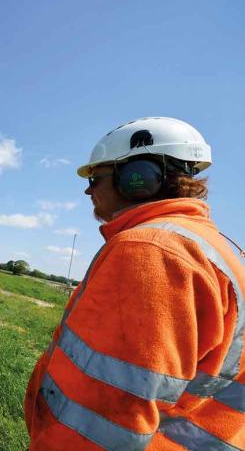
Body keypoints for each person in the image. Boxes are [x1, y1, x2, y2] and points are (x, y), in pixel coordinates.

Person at [24, 117, 244, 450]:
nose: (88, 190)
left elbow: (104, 420)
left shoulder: (149, 251)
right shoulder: (217, 250)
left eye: (96, 178)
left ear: (137, 178)